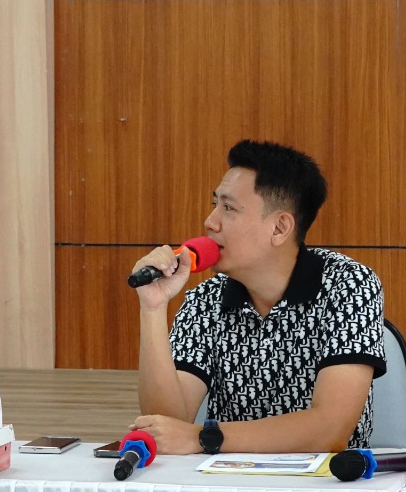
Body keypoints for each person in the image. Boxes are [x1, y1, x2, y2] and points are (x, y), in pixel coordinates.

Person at [130, 140, 386, 455]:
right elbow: (167, 427)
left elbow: (330, 431)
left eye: (228, 208)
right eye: (215, 204)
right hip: (227, 478)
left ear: (279, 228)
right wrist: (153, 308)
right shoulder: (205, 300)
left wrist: (202, 437)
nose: (210, 221)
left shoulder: (348, 285)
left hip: (326, 481)